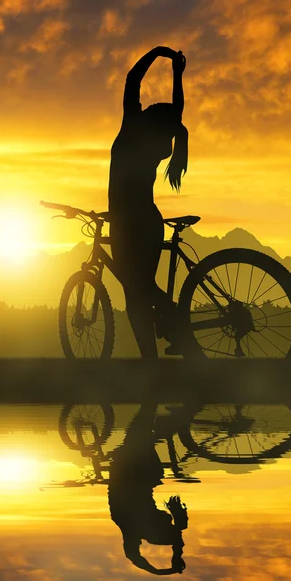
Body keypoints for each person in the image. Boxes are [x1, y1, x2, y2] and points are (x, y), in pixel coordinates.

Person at [108, 46, 188, 359]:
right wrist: (177, 74)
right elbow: (177, 112)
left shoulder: (133, 127)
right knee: (142, 286)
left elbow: (132, 79)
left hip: (127, 222)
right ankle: (171, 332)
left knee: (134, 291)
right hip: (150, 222)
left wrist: (157, 52)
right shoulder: (161, 143)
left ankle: (153, 358)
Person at [108, 403, 188, 575]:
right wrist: (175, 557)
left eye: (166, 520)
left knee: (141, 432)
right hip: (137, 472)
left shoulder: (128, 523)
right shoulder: (129, 524)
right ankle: (154, 413)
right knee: (141, 433)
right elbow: (177, 537)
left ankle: (153, 405)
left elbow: (133, 556)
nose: (167, 517)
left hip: (132, 470)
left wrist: (163, 570)